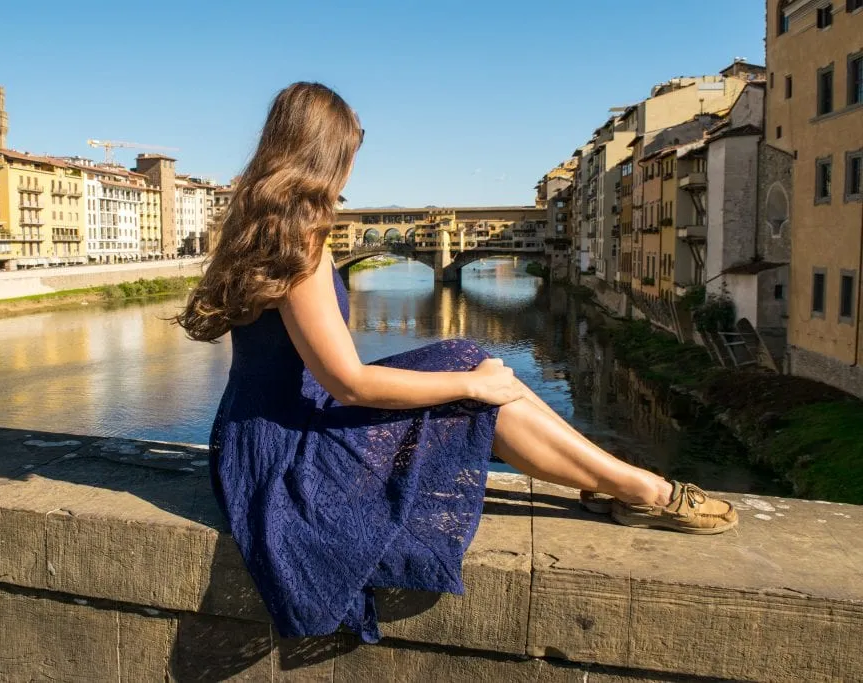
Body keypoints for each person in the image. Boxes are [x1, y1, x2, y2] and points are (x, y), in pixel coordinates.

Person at [178, 82, 737, 643]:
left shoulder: (255, 229)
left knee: (470, 363)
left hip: (255, 437)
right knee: (473, 379)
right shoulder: (300, 243)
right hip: (284, 454)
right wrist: (471, 384)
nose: (349, 172)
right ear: (327, 156)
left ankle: (621, 479)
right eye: (348, 156)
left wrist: (472, 378)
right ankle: (643, 490)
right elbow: (348, 382)